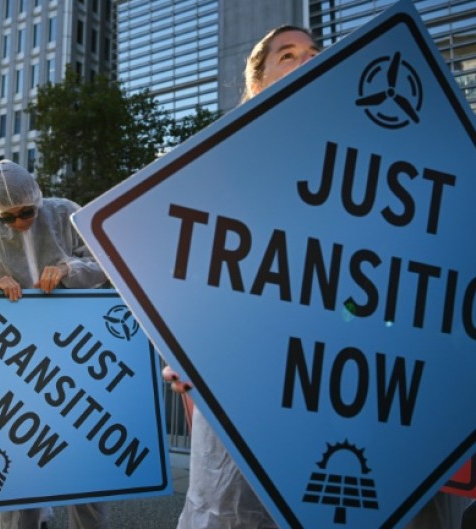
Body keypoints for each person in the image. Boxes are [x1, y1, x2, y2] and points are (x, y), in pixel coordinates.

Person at [161, 24, 321, 529]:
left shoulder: (359, 165)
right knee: (227, 507)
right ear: (256, 83)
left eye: (314, 53)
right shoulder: (220, 162)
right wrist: (177, 344)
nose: (306, 60)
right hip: (236, 369)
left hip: (326, 372)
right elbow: (178, 266)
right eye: (289, 55)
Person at [0, 160, 110, 529]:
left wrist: (68, 269)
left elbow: (106, 260)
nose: (19, 222)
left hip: (74, 346)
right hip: (16, 354)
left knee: (87, 453)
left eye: (26, 212)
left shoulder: (64, 214)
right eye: (7, 219)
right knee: (22, 453)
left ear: (38, 200)